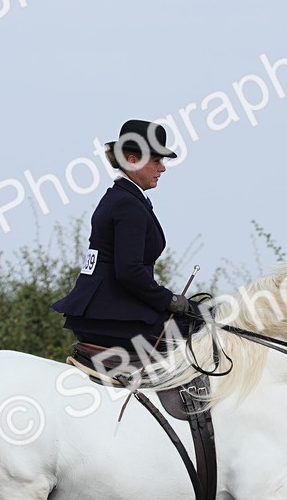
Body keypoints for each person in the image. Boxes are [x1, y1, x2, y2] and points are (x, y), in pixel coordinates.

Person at [51, 119, 193, 353]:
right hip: (113, 318)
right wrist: (167, 299)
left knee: (201, 315)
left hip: (106, 312)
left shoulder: (124, 198)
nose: (163, 168)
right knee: (201, 331)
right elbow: (129, 271)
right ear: (132, 160)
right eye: (156, 160)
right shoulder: (127, 205)